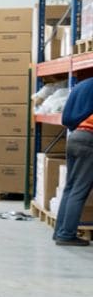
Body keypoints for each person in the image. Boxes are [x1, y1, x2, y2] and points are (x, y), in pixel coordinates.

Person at [53, 88, 93, 246]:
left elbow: (66, 118)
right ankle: (66, 235)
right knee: (79, 191)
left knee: (70, 188)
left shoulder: (80, 86)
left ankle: (59, 232)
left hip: (75, 136)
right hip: (89, 141)